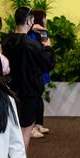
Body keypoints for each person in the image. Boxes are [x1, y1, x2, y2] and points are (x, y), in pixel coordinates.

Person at [1, 7, 55, 158]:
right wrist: (47, 47)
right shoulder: (33, 45)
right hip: (29, 92)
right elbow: (48, 64)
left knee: (13, 131)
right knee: (24, 133)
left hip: (10, 90)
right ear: (30, 21)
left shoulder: (7, 41)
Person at [27, 9, 52, 139]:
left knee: (39, 97)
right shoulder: (30, 34)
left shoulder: (42, 32)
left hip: (41, 69)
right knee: (35, 98)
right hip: (34, 70)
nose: (46, 20)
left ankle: (38, 124)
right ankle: (31, 128)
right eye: (44, 17)